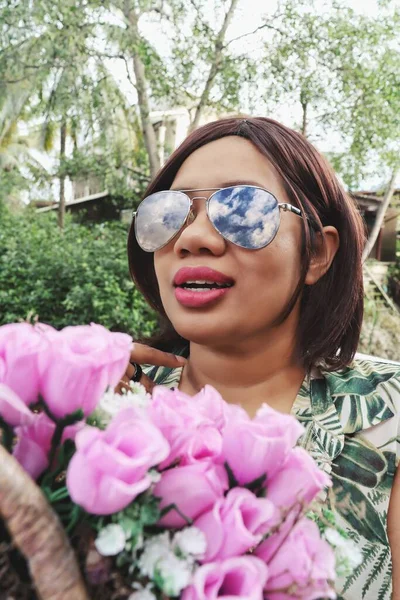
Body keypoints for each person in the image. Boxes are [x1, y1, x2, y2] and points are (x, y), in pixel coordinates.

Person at [121, 117, 400, 599]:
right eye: (169, 212)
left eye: (243, 208)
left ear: (316, 253)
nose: (193, 239)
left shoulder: (387, 414)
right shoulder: (105, 408)